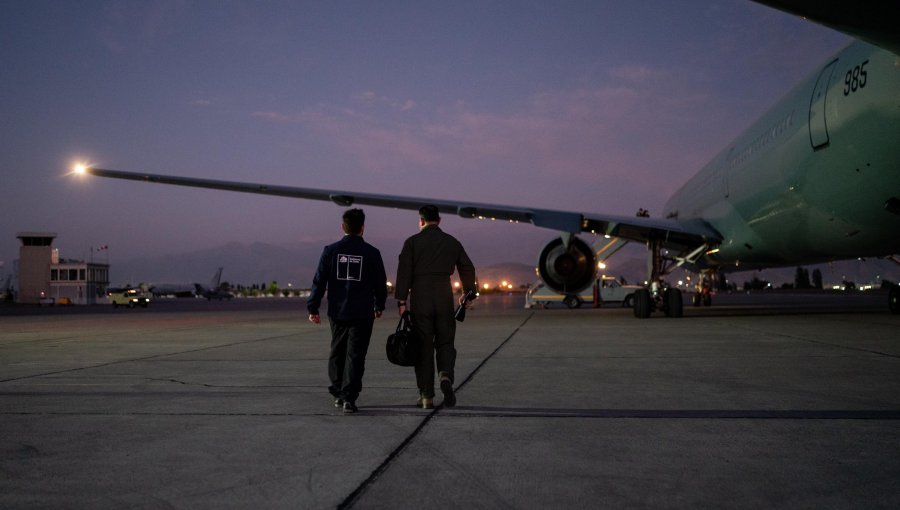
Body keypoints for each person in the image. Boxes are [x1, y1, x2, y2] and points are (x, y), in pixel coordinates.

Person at [395, 205, 477, 409]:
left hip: (420, 296)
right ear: (439, 221)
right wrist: (468, 294)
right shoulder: (452, 242)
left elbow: (404, 272)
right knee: (446, 341)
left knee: (423, 346)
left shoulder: (412, 242)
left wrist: (402, 301)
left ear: (421, 220)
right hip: (443, 294)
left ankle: (426, 396)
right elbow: (468, 267)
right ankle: (446, 375)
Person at [307, 208, 387, 414]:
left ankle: (337, 392)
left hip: (338, 311)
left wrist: (313, 307)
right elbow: (380, 284)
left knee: (337, 351)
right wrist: (379, 305)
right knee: (356, 356)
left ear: (343, 227)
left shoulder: (330, 251)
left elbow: (319, 281)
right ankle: (349, 398)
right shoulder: (372, 253)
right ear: (362, 228)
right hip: (362, 313)